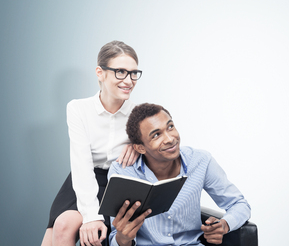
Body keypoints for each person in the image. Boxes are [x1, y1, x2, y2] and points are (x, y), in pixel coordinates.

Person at [41, 41, 143, 246]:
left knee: (86, 235)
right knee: (61, 226)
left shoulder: (139, 114)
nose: (129, 80)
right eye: (121, 72)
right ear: (100, 72)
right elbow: (81, 163)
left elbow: (160, 151)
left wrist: (139, 147)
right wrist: (90, 216)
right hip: (83, 178)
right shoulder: (78, 109)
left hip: (117, 183)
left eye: (133, 73)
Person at [108, 103, 251, 246]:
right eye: (156, 135)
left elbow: (239, 204)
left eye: (170, 127)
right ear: (140, 148)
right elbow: (116, 238)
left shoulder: (201, 160)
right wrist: (123, 239)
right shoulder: (122, 172)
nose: (170, 139)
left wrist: (224, 225)